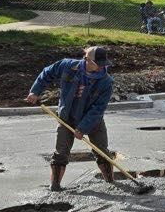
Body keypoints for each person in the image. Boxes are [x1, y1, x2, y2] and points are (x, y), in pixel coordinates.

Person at [25, 46, 115, 192]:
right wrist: (35, 91)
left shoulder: (106, 82)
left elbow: (98, 109)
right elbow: (47, 73)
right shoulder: (67, 66)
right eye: (98, 63)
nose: (101, 67)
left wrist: (82, 128)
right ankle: (55, 186)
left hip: (93, 120)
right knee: (61, 152)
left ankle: (111, 182)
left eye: (103, 63)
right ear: (87, 60)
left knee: (102, 151)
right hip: (67, 118)